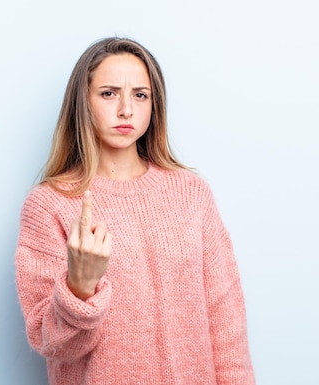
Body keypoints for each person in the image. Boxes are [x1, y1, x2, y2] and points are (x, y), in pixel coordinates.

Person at [15, 37, 255, 385]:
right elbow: (52, 343)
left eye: (140, 95)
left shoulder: (191, 194)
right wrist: (80, 288)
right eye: (109, 93)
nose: (126, 109)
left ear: (154, 105)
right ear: (83, 102)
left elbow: (226, 323)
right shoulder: (49, 205)